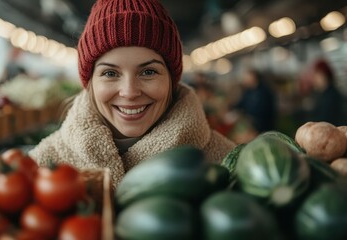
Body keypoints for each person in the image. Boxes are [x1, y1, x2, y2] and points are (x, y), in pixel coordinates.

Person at [29, 0, 236, 188]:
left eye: (148, 72)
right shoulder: (40, 165)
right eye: (110, 73)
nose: (129, 92)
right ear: (90, 82)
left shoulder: (227, 165)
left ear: (171, 80)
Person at [233, 68, 277, 134]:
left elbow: (264, 111)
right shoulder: (248, 91)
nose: (244, 79)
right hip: (251, 123)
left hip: (263, 127)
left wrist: (248, 117)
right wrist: (232, 106)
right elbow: (242, 103)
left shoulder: (264, 91)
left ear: (253, 77)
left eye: (247, 77)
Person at [307, 59, 345, 126]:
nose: (315, 78)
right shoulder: (322, 94)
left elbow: (325, 119)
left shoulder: (332, 95)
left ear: (325, 75)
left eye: (317, 74)